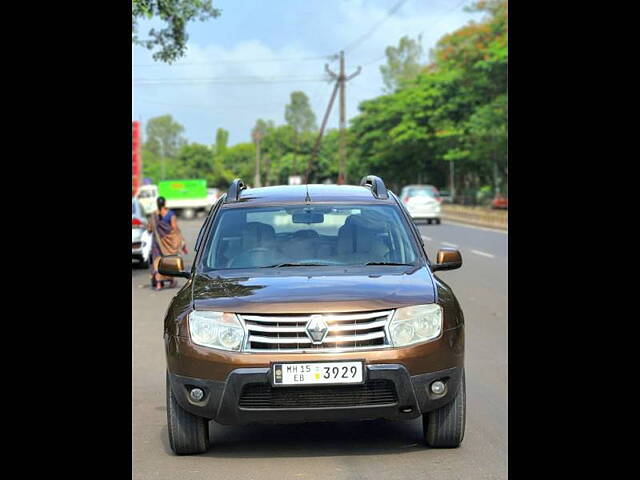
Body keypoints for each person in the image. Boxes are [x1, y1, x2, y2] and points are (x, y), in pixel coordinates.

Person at [148, 197, 187, 291]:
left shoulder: (153, 215)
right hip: (168, 244)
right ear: (165, 203)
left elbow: (149, 229)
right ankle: (171, 281)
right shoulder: (170, 214)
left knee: (157, 262)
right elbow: (174, 228)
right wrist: (181, 239)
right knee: (168, 262)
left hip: (157, 243)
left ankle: (158, 284)